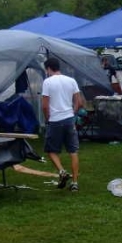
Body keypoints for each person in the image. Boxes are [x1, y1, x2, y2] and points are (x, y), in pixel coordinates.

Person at [42, 57, 83, 191]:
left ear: (48, 68)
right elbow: (79, 101)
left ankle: (62, 171)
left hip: (55, 120)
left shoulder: (47, 82)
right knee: (73, 151)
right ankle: (75, 183)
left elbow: (45, 105)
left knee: (51, 150)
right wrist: (73, 113)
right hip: (69, 118)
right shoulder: (71, 80)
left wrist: (47, 118)